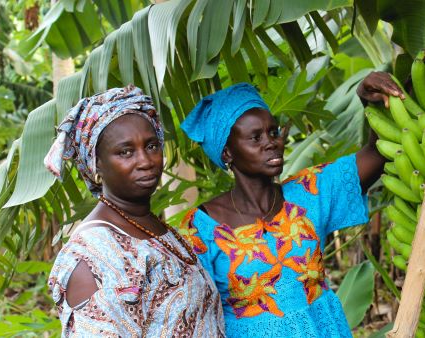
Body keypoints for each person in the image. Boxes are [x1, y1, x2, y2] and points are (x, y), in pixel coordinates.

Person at [177, 72, 404, 337]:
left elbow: (377, 153)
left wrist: (368, 101)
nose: (272, 143)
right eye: (255, 137)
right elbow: (192, 317)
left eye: (273, 132)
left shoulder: (308, 192)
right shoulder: (199, 229)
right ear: (227, 153)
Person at [43, 85, 225, 337]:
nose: (145, 161)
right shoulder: (91, 255)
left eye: (151, 146)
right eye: (125, 152)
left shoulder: (160, 231)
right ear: (97, 164)